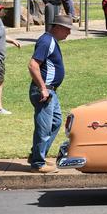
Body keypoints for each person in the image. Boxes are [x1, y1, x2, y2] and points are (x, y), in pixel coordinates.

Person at [27, 14, 72, 173]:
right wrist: (43, 88)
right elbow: (33, 65)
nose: (69, 33)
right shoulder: (46, 41)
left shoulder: (51, 41)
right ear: (58, 27)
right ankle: (38, 164)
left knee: (55, 122)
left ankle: (36, 155)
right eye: (67, 29)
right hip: (44, 91)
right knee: (44, 128)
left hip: (50, 91)